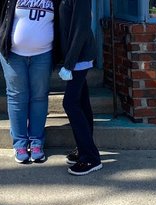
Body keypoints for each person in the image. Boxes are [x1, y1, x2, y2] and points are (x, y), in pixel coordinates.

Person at [0, 0, 59, 163]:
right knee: (17, 96)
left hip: (43, 53)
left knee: (39, 96)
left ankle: (36, 142)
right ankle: (19, 143)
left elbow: (62, 16)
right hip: (13, 54)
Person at [57, 0, 101, 175]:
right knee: (82, 102)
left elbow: (81, 27)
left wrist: (69, 63)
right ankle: (83, 149)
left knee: (70, 103)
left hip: (79, 58)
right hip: (76, 57)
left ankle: (90, 157)